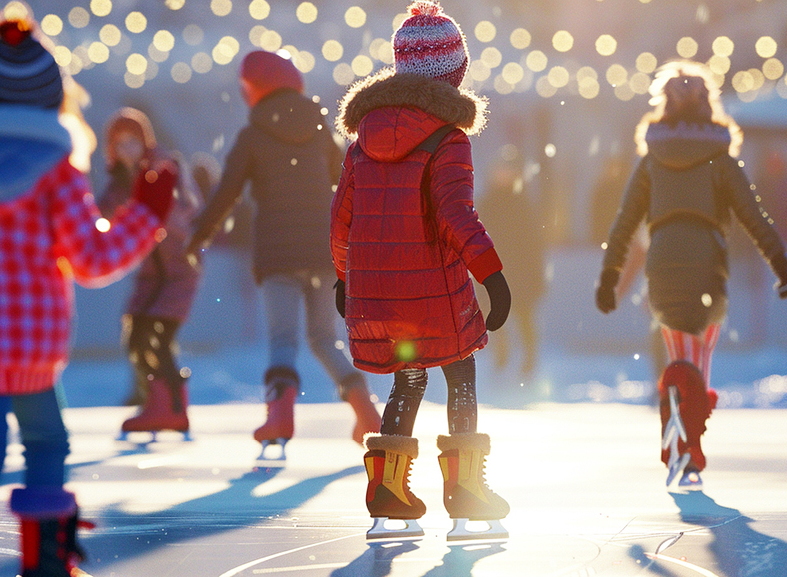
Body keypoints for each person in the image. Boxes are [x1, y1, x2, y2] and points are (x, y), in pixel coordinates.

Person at [0, 17, 175, 577]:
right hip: (32, 346)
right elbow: (92, 258)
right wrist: (146, 213)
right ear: (54, 99)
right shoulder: (57, 171)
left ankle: (49, 568)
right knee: (45, 446)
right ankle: (48, 570)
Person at [330, 0, 511, 541]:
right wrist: (491, 275)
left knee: (407, 379)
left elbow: (342, 216)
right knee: (460, 373)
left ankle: (388, 493)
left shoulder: (363, 138)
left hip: (380, 294)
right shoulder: (447, 138)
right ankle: (465, 491)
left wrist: (345, 277)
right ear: (454, 73)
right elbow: (456, 215)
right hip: (435, 288)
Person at [594, 60, 787, 487]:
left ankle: (676, 431)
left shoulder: (651, 162)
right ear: (708, 105)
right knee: (699, 361)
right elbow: (752, 215)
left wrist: (610, 275)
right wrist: (779, 261)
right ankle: (689, 447)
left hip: (663, 264)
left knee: (676, 353)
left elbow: (625, 221)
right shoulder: (720, 160)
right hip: (708, 266)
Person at [187, 49, 380, 455]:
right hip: (323, 252)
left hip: (278, 254)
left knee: (283, 338)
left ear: (252, 88)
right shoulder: (319, 129)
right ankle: (366, 414)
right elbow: (347, 183)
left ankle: (280, 416)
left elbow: (227, 193)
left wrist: (198, 236)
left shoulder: (252, 135)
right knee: (326, 339)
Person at [98, 108, 201, 439]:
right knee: (136, 336)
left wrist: (155, 223)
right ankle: (157, 403)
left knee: (158, 337)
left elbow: (181, 210)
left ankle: (173, 408)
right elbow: (99, 215)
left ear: (145, 141)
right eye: (119, 144)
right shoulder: (119, 183)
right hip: (149, 276)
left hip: (177, 271)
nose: (127, 149)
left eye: (132, 141)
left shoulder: (164, 168)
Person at [476, 153, 546, 378]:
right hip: (493, 269)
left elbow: (533, 241)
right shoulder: (487, 203)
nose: (502, 176)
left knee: (523, 315)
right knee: (495, 316)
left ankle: (529, 360)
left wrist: (535, 272)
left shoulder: (521, 203)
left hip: (520, 271)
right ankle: (501, 358)